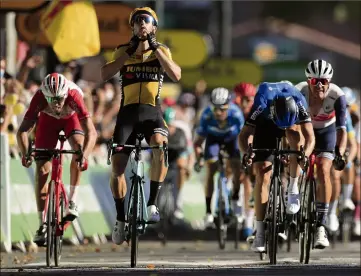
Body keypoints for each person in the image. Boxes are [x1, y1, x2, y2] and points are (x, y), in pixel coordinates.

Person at [100, 7, 181, 245]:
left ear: (153, 27)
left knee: (159, 146)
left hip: (151, 113)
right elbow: (105, 73)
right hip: (127, 115)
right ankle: (121, 218)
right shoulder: (122, 50)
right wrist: (129, 54)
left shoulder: (162, 51)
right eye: (137, 21)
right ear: (132, 28)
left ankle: (152, 202)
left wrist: (155, 48)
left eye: (146, 21)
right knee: (117, 167)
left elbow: (176, 74)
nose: (141, 24)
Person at [16, 73, 97, 246]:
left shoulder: (74, 95)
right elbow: (22, 131)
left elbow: (91, 132)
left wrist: (85, 156)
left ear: (66, 93)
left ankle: (73, 201)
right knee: (42, 170)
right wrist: (25, 153)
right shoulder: (39, 97)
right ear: (44, 95)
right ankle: (42, 224)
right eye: (51, 99)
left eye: (60, 98)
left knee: (78, 149)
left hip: (71, 120)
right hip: (48, 123)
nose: (56, 103)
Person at [239, 81, 315, 253]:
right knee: (262, 174)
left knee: (297, 141)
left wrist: (304, 155)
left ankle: (293, 188)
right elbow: (244, 135)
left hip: (290, 122)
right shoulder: (261, 102)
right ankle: (259, 232)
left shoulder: (299, 101)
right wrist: (247, 153)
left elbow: (310, 137)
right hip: (266, 126)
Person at [295, 59, 347, 248]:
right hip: (303, 130)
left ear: (329, 81)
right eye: (315, 81)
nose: (319, 85)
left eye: (324, 81)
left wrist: (340, 153)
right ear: (309, 81)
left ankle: (321, 225)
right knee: (295, 162)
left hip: (327, 132)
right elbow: (291, 125)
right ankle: (291, 199)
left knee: (324, 169)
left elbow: (342, 130)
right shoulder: (299, 91)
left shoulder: (337, 95)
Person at [193, 87, 245, 228]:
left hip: (232, 140)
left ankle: (235, 198)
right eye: (215, 108)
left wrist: (246, 154)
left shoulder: (236, 114)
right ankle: (209, 211)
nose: (219, 112)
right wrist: (199, 157)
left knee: (236, 167)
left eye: (222, 109)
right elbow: (197, 142)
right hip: (213, 140)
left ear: (229, 106)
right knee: (211, 170)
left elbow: (245, 137)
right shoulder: (206, 115)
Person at [328, 87, 358, 233]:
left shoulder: (347, 118)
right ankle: (330, 211)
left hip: (340, 150)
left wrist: (349, 160)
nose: (343, 109)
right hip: (326, 148)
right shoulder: (326, 112)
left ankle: (346, 198)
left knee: (348, 166)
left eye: (346, 106)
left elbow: (353, 145)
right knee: (332, 175)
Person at [233, 82, 257, 237]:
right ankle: (233, 193)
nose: (244, 103)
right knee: (232, 169)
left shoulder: (256, 111)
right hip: (233, 144)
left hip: (249, 145)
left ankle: (248, 219)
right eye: (241, 99)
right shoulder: (232, 111)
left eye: (248, 100)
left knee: (249, 178)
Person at [162, 107, 191, 219]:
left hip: (176, 161)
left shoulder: (181, 132)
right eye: (166, 125)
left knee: (181, 167)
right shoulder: (158, 132)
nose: (169, 129)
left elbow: (188, 151)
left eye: (170, 125)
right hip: (162, 161)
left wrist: (187, 166)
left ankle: (177, 206)